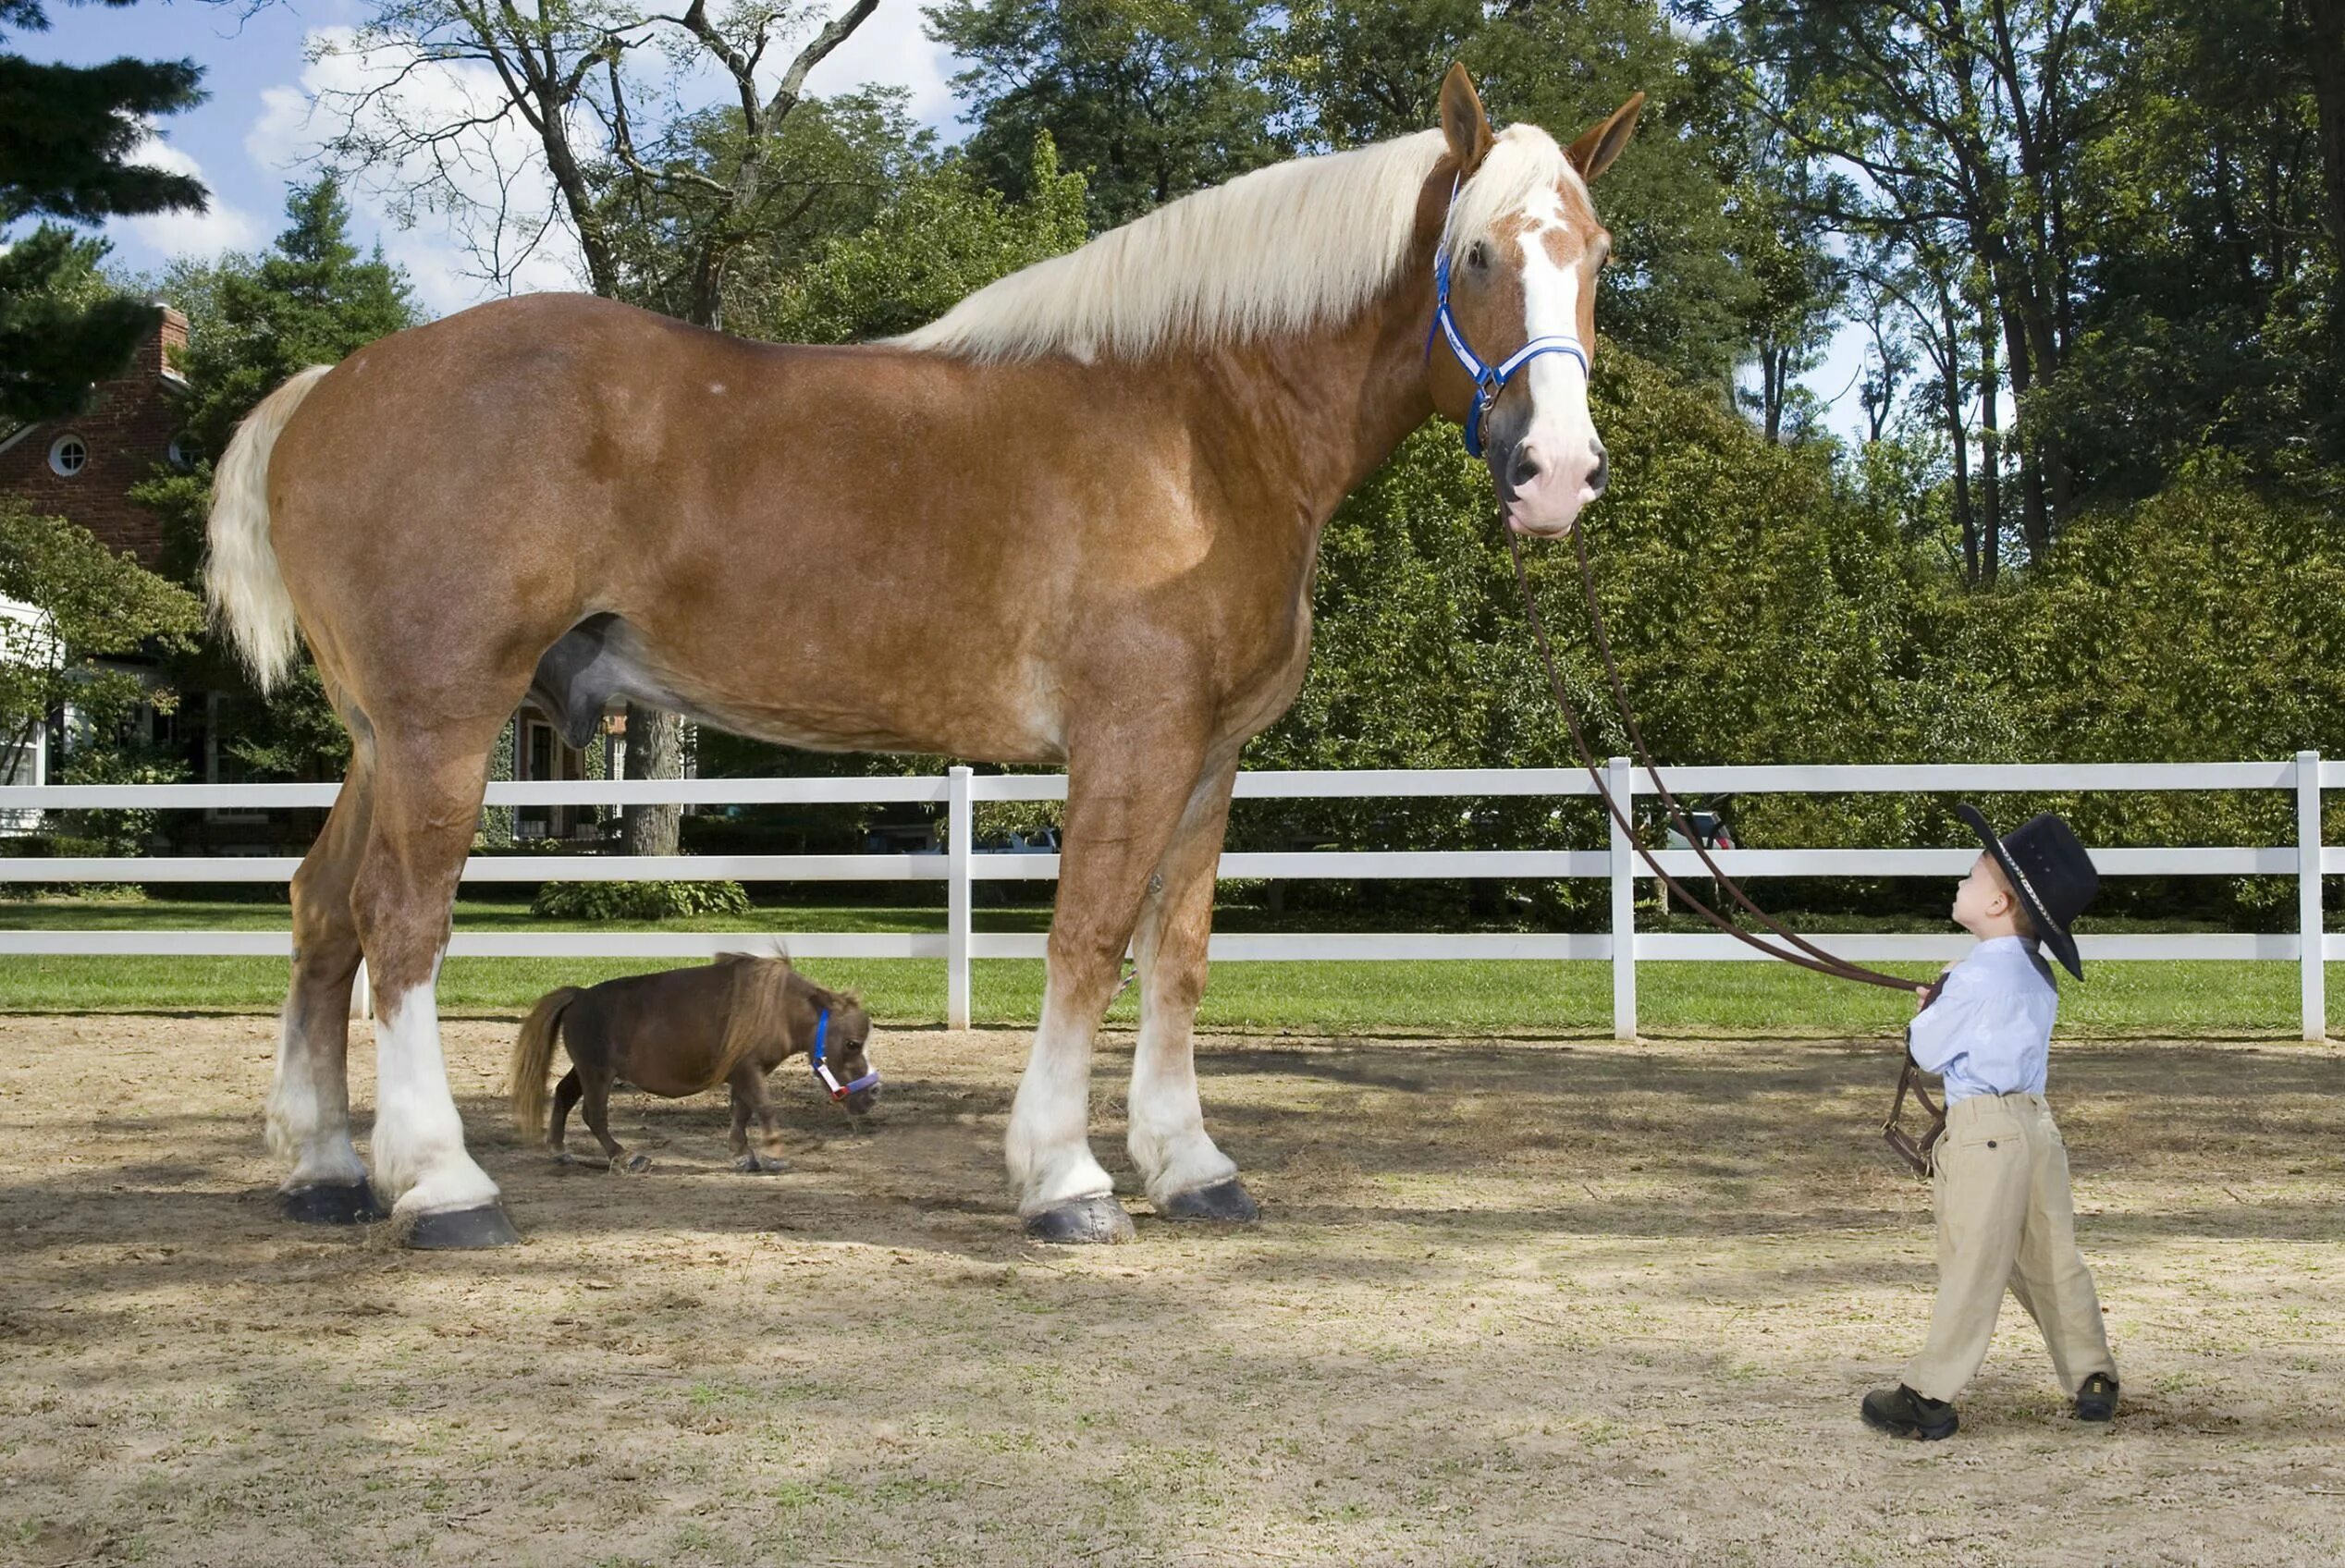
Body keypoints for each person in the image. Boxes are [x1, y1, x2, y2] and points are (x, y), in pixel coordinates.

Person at [1861, 804, 2119, 1441]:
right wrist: (1949, 996)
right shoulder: (2036, 973)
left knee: (1973, 1262)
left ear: (2000, 905)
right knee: (2052, 1255)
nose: (1961, 882)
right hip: (2036, 1128)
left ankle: (1929, 1395)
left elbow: (1925, 1051)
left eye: (1973, 876)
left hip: (1983, 1134)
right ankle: (2091, 1374)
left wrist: (1935, 1003)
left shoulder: (1974, 974)